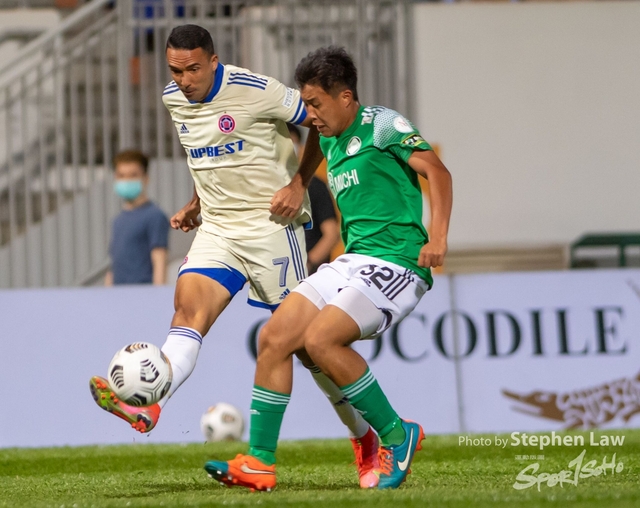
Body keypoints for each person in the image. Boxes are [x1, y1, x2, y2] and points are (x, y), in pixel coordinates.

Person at [89, 26, 379, 489]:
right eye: (175, 70)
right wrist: (196, 203)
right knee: (187, 311)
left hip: (272, 227)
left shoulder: (257, 90)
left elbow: (319, 121)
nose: (184, 80)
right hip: (219, 230)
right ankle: (153, 400)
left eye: (193, 69)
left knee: (308, 349)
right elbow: (205, 155)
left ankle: (365, 437)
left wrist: (299, 183)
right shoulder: (173, 98)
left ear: (214, 60)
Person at [204, 46, 453, 491]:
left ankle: (398, 435)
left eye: (316, 104)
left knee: (321, 340)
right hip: (352, 260)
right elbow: (316, 144)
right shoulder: (329, 132)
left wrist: (437, 238)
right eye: (307, 104)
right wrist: (299, 182)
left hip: (397, 261)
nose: (310, 116)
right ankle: (260, 461)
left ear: (346, 97)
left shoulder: (383, 125)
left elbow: (438, 173)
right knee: (275, 336)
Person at [105, 150, 169, 286]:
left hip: (143, 293)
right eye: (121, 175)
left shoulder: (155, 216)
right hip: (118, 294)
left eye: (133, 175)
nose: (127, 180)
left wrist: (159, 295)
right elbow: (113, 265)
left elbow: (159, 259)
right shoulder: (118, 220)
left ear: (145, 178)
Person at [287, 123, 340, 274]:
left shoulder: (314, 185)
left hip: (310, 273)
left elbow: (331, 234)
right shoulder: (266, 187)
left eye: (292, 144)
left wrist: (308, 263)